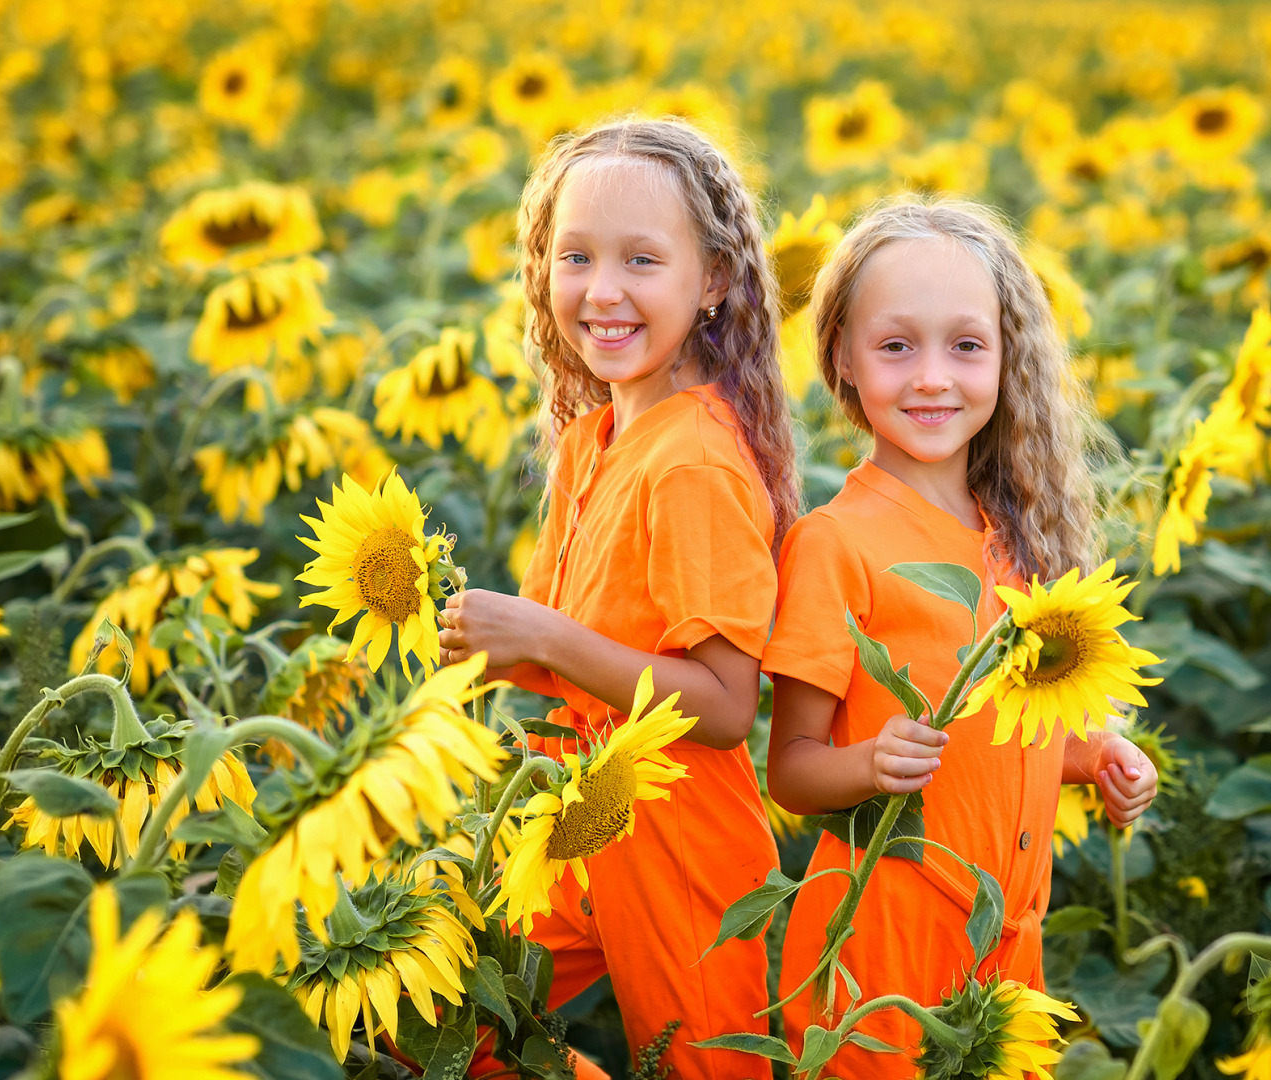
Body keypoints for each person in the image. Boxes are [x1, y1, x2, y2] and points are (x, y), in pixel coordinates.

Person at [762, 200, 1159, 1078]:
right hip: (879, 943)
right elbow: (789, 769)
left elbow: (999, 730)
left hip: (1007, 939)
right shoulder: (837, 544)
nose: (931, 377)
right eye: (895, 346)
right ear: (841, 361)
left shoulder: (1013, 540)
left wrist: (1096, 754)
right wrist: (867, 763)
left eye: (966, 346)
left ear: (1006, 358)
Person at [437, 118, 798, 1080]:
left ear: (713, 280)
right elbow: (566, 658)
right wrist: (471, 641)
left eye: (642, 259)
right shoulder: (589, 442)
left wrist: (540, 635)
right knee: (434, 1018)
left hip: (678, 843)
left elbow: (722, 708)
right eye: (576, 256)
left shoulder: (694, 463)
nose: (602, 291)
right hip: (568, 817)